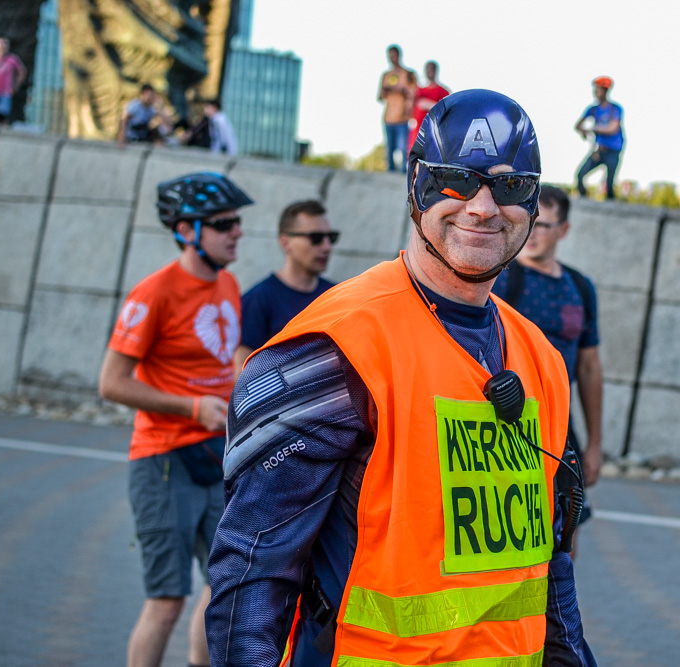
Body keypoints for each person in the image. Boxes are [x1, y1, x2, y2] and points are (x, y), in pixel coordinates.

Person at [206, 89, 596, 667]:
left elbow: (549, 569)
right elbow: (251, 573)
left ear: (535, 204)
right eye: (457, 179)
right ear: (416, 182)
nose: (484, 207)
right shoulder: (333, 348)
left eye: (511, 186)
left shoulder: (541, 358)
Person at [98, 172, 253, 667]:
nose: (237, 231)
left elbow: (218, 363)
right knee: (166, 600)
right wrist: (191, 407)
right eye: (223, 223)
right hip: (164, 459)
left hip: (216, 455)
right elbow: (112, 383)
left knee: (225, 585)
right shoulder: (154, 293)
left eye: (237, 222)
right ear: (187, 231)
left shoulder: (228, 284)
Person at [492, 185, 603, 559]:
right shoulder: (500, 278)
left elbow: (589, 368)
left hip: (561, 428)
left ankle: (557, 614)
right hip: (507, 426)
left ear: (564, 230)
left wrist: (595, 443)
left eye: (545, 224)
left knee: (568, 531)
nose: (533, 231)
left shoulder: (580, 288)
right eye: (531, 221)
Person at [234, 199, 339, 372]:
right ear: (285, 242)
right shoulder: (259, 299)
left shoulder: (335, 296)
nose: (326, 247)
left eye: (331, 237)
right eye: (316, 238)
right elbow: (242, 372)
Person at [574, 75, 624, 200]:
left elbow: (613, 128)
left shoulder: (615, 109)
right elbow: (578, 125)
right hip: (598, 150)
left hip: (613, 151)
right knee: (580, 175)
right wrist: (583, 132)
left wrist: (592, 129)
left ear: (605, 91)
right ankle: (584, 200)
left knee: (610, 184)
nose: (595, 92)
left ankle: (611, 208)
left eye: (598, 89)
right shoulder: (593, 109)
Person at [377, 44, 416, 172]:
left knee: (403, 149)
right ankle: (390, 176)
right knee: (390, 150)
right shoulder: (386, 75)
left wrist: (402, 89)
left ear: (399, 55)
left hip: (403, 117)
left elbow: (414, 93)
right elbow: (380, 97)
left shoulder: (408, 74)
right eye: (390, 56)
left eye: (394, 55)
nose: (392, 58)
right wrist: (386, 89)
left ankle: (405, 176)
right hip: (388, 117)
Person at [407, 60, 450, 153]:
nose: (429, 72)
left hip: (434, 134)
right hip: (418, 132)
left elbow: (446, 111)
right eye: (427, 69)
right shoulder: (418, 91)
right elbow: (409, 109)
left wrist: (429, 104)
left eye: (431, 69)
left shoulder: (443, 91)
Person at [0, 37, 27, 126]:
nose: (2, 48)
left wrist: (16, 85)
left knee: (3, 115)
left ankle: (1, 135)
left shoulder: (12, 59)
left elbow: (22, 72)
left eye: (4, 46)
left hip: (5, 91)